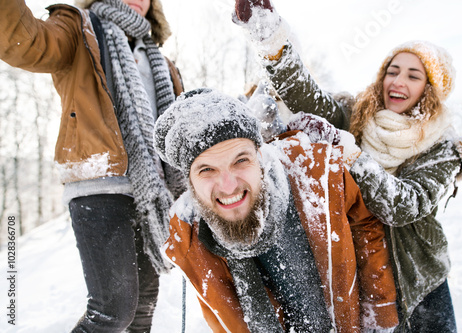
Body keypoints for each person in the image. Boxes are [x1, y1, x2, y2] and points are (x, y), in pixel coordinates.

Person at [232, 1, 462, 332]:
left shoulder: (444, 147)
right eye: (392, 71)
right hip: (368, 272)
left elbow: (403, 204)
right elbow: (304, 95)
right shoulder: (357, 116)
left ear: (430, 89)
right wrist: (268, 35)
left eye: (413, 75)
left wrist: (352, 156)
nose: (398, 82)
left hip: (420, 281)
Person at [0, 0, 184, 331]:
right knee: (112, 311)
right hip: (99, 183)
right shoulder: (79, 28)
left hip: (152, 195)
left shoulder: (161, 62)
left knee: (143, 309)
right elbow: (27, 42)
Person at [153, 88, 399, 332]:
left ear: (259, 155)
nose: (228, 186)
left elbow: (365, 227)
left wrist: (380, 316)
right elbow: (225, 319)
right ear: (190, 182)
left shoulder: (316, 172)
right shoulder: (191, 237)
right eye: (206, 170)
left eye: (240, 160)